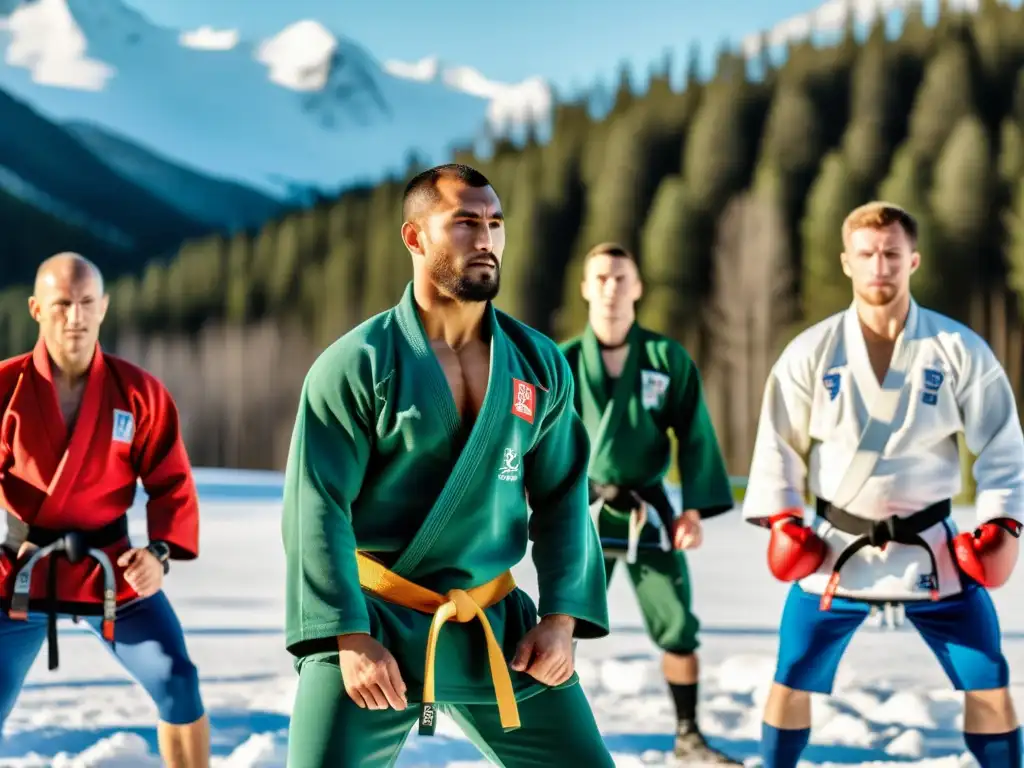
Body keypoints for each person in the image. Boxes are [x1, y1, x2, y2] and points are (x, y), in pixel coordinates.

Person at [281, 163, 614, 766]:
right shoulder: (357, 363)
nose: (485, 239)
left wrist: (561, 618)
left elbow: (565, 495)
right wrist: (347, 637)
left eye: (494, 223)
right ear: (415, 238)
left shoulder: (538, 364)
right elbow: (316, 506)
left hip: (496, 626)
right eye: (464, 223)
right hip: (372, 622)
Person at [743, 202, 1024, 768]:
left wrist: (1002, 523)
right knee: (792, 670)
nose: (880, 266)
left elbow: (1002, 440)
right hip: (835, 547)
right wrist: (784, 520)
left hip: (933, 547)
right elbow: (778, 441)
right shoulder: (811, 352)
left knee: (988, 676)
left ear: (912, 260)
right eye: (867, 254)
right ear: (847, 262)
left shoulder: (957, 348)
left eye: (892, 254)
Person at [0, 253, 208, 768]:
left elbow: (171, 481)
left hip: (111, 569)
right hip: (21, 571)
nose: (75, 317)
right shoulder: (6, 389)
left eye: (87, 303)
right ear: (35, 309)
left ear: (104, 307)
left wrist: (158, 553)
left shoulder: (138, 393)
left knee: (178, 680)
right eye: (62, 304)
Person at [559, 243, 739, 765]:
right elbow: (532, 438)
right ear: (586, 288)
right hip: (582, 507)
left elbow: (696, 436)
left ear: (637, 288)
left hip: (649, 509)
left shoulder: (666, 358)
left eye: (622, 278)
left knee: (677, 624)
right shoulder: (562, 360)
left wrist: (695, 511)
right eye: (602, 278)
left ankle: (688, 736)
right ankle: (549, 738)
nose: (612, 287)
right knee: (560, 622)